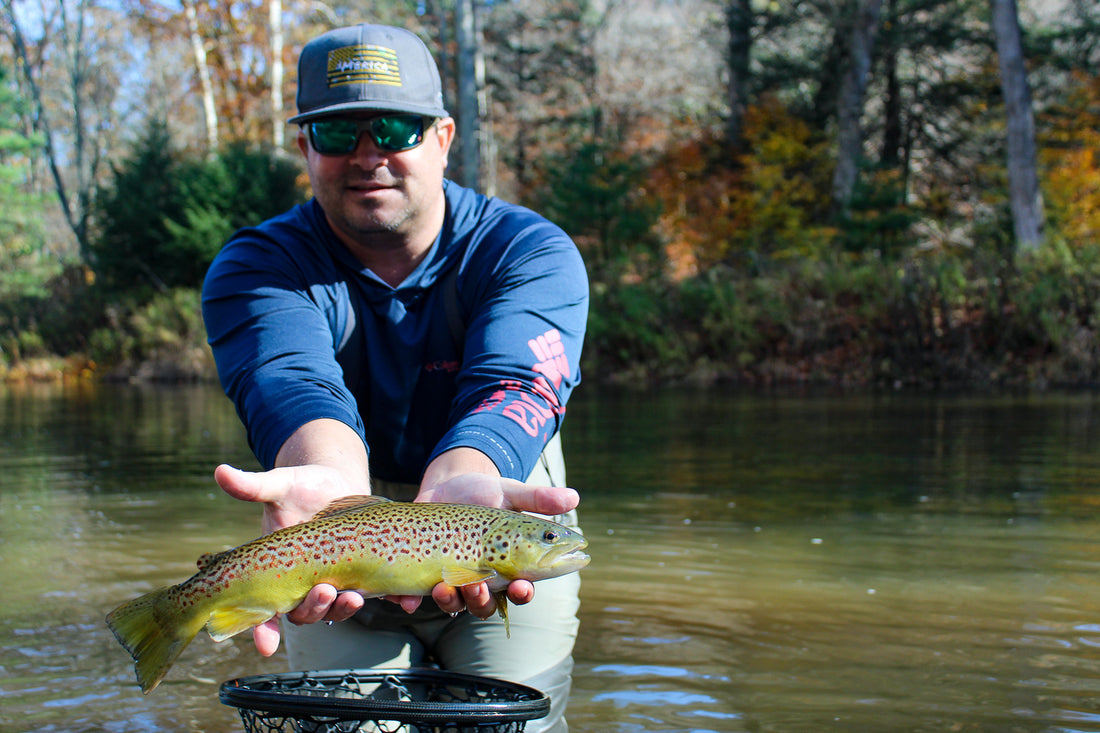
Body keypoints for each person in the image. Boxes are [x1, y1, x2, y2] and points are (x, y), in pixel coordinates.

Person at [200, 22, 589, 733]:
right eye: (338, 133)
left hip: (494, 496)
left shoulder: (528, 252)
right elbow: (294, 385)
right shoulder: (256, 268)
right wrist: (340, 497)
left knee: (512, 724)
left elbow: (514, 385)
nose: (369, 154)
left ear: (443, 137)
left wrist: (462, 502)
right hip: (332, 525)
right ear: (304, 148)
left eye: (394, 128)